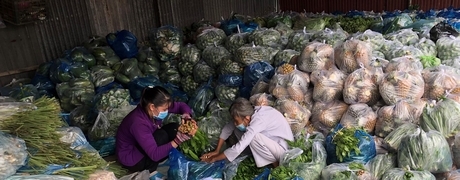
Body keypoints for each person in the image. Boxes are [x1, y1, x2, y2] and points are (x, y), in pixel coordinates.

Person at [116, 86, 195, 173]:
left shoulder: (156, 109)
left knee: (174, 128)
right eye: (165, 109)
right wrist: (177, 141)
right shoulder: (138, 122)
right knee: (161, 136)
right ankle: (150, 170)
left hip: (144, 145)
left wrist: (186, 116)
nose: (167, 111)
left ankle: (165, 154)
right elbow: (154, 154)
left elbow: (181, 106)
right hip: (132, 159)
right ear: (152, 107)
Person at [200, 97, 294, 168]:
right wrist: (217, 150)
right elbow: (228, 128)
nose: (235, 123)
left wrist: (213, 159)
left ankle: (276, 165)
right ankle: (268, 160)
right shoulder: (249, 113)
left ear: (246, 118)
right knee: (237, 129)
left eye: (236, 120)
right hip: (273, 143)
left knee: (253, 138)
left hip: (284, 151)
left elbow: (238, 148)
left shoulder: (258, 120)